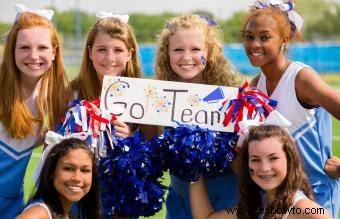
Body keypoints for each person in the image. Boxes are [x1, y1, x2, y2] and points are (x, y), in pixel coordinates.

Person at [242, 1, 340, 217]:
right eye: (249, 37)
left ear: (284, 40)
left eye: (265, 37)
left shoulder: (301, 79)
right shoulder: (256, 83)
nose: (254, 44)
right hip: (275, 199)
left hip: (315, 198)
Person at [154, 14, 243, 219]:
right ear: (166, 53)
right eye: (178, 49)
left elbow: (244, 162)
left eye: (195, 49)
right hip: (180, 203)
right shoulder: (158, 96)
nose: (187, 57)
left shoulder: (228, 95)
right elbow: (154, 149)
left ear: (209, 52)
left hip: (225, 201)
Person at [0, 5, 69, 218]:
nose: (34, 56)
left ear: (54, 51)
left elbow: (25, 138)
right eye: (24, 48)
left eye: (42, 47)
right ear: (12, 50)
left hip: (13, 201)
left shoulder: (52, 94)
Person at [190, 125, 332, 219]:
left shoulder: (308, 211)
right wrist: (194, 167)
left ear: (290, 160)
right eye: (256, 159)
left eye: (273, 158)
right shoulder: (257, 207)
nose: (264, 168)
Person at [70, 13, 143, 138]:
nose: (110, 58)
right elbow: (53, 142)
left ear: (129, 54)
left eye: (118, 50)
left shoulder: (142, 94)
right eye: (102, 49)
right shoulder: (72, 92)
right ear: (90, 52)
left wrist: (131, 136)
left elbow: (151, 148)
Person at [16, 137, 101, 219]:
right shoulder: (40, 214)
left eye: (85, 170)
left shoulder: (69, 214)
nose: (77, 178)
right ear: (51, 172)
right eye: (68, 168)